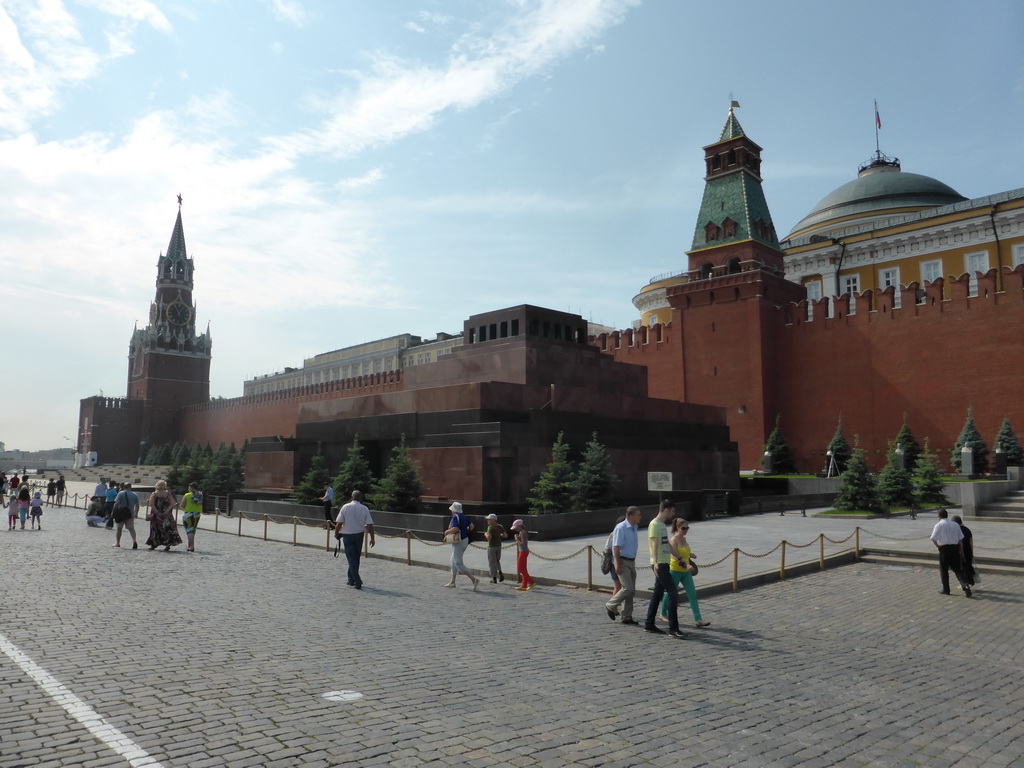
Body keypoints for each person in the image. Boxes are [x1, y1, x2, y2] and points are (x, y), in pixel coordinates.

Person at [644, 500, 686, 638]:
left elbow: (666, 544)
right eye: (672, 511)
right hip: (660, 564)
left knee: (657, 594)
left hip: (664, 563)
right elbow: (654, 544)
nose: (673, 514)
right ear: (666, 510)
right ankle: (673, 628)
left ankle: (649, 624)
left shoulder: (661, 524)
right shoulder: (654, 524)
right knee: (673, 593)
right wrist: (655, 563)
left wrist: (679, 558)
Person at [660, 517, 710, 628]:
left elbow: (684, 551)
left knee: (692, 594)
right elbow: (675, 556)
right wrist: (686, 565)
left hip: (686, 572)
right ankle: (663, 613)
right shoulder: (673, 540)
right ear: (677, 528)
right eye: (683, 528)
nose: (686, 530)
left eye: (687, 528)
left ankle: (698, 619)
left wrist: (690, 554)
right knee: (670, 593)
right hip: (675, 570)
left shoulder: (684, 539)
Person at [604, 507, 641, 624]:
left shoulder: (635, 527)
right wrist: (618, 564)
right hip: (623, 561)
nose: (640, 517)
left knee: (631, 590)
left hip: (631, 561)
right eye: (638, 515)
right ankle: (610, 605)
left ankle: (626, 616)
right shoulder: (620, 528)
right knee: (627, 588)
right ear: (631, 516)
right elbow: (616, 547)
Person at [334, 490, 376, 589]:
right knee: (355, 558)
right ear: (361, 498)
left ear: (352, 497)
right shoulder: (364, 508)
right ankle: (351, 579)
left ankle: (356, 580)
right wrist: (372, 538)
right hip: (359, 535)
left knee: (352, 558)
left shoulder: (345, 507)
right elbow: (369, 525)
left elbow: (339, 523)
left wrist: (336, 534)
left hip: (347, 536)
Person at [930, 508, 970, 597]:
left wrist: (937, 545)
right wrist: (961, 551)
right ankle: (965, 585)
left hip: (944, 549)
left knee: (944, 570)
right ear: (947, 515)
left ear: (939, 516)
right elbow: (960, 539)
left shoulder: (939, 525)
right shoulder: (955, 525)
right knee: (957, 569)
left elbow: (933, 538)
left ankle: (946, 589)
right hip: (955, 548)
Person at [443, 502, 479, 590]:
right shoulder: (464, 516)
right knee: (453, 560)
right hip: (464, 539)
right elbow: (472, 526)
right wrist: (465, 531)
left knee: (458, 562)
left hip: (459, 541)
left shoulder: (455, 517)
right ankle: (452, 582)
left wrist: (446, 532)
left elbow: (455, 528)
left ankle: (474, 579)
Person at [145, 480, 182, 551]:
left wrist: (157, 512)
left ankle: (153, 544)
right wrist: (166, 511)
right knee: (168, 529)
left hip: (156, 515)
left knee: (155, 529)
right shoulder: (167, 494)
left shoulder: (154, 494)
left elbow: (151, 504)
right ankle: (168, 544)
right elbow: (173, 504)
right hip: (167, 514)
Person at [112, 483, 140, 549]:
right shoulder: (134, 494)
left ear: (124, 487)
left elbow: (116, 503)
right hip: (130, 514)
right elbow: (137, 505)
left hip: (120, 514)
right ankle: (134, 541)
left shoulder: (120, 494)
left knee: (119, 529)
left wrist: (113, 512)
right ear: (130, 487)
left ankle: (118, 543)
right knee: (131, 528)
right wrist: (136, 513)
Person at [952, 514, 976, 587]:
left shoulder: (956, 530)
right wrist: (971, 551)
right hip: (968, 550)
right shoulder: (967, 529)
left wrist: (960, 552)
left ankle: (967, 583)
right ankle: (971, 581)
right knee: (968, 565)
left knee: (962, 568)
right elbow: (971, 541)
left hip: (961, 550)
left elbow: (958, 542)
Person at [511, 519, 536, 591]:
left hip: (523, 551)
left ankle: (531, 582)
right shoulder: (522, 532)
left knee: (520, 568)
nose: (515, 529)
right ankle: (524, 585)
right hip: (523, 551)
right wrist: (518, 538)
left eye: (516, 527)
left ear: (519, 526)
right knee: (524, 569)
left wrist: (516, 539)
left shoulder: (523, 532)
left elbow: (523, 543)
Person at [484, 513, 507, 583]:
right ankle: (500, 573)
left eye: (489, 519)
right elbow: (505, 535)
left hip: (492, 546)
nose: (488, 520)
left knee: (492, 562)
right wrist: (498, 535)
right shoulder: (500, 526)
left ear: (493, 520)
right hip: (499, 545)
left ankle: (494, 577)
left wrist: (485, 534)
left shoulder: (490, 527)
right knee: (497, 560)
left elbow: (489, 538)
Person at [181, 482, 204, 552]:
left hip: (188, 514)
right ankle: (189, 545)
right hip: (197, 514)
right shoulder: (200, 495)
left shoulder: (187, 495)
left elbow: (182, 505)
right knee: (193, 530)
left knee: (189, 531)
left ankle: (191, 546)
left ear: (191, 488)